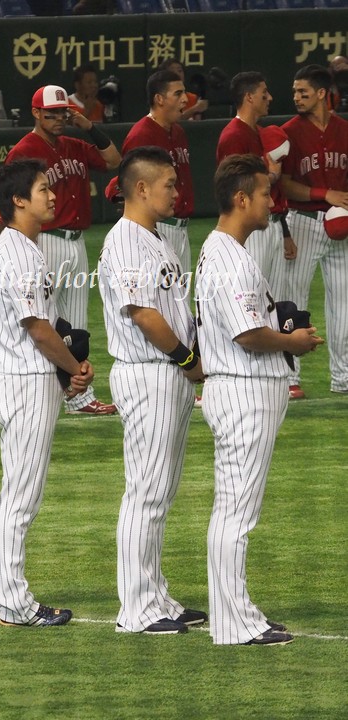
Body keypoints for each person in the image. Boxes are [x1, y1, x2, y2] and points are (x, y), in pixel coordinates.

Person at [195, 154, 323, 646]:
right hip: (244, 389)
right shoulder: (228, 257)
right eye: (266, 193)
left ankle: (236, 611)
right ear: (242, 198)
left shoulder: (227, 249)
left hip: (242, 387)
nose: (274, 201)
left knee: (234, 510)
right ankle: (232, 624)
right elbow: (249, 334)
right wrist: (294, 342)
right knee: (236, 514)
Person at [98, 146, 207, 635]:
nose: (176, 191)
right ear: (141, 188)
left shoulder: (152, 238)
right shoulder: (125, 242)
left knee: (158, 492)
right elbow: (143, 314)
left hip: (164, 374)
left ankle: (155, 596)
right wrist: (187, 359)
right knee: (145, 492)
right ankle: (136, 610)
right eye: (169, 184)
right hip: (149, 373)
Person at [0, 159, 94, 627]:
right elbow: (37, 328)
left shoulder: (22, 248)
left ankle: (4, 594)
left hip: (27, 379)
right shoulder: (19, 253)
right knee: (21, 496)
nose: (52, 195)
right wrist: (74, 369)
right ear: (18, 200)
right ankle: (12, 600)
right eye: (42, 188)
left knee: (19, 492)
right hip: (28, 382)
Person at [5, 84, 120, 415]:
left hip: (76, 243)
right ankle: (51, 388)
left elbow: (114, 160)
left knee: (77, 322)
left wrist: (89, 127)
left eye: (62, 113)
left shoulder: (74, 144)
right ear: (36, 113)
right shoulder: (24, 151)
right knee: (47, 319)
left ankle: (79, 395)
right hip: (46, 241)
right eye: (51, 113)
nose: (58, 118)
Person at [121, 69, 201, 406]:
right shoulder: (142, 134)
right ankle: (179, 363)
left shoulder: (177, 131)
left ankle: (186, 370)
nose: (185, 99)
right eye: (178, 93)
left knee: (179, 302)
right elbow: (125, 188)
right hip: (156, 226)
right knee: (158, 304)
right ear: (159, 98)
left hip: (178, 228)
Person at [281, 65, 348, 397]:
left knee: (344, 306)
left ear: (322, 93)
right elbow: (285, 184)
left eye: (303, 92)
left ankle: (343, 379)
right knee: (295, 303)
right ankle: (291, 377)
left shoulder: (344, 130)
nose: (296, 97)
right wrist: (325, 195)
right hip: (304, 223)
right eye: (294, 92)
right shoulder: (288, 132)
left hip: (342, 227)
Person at [216, 72, 297, 309]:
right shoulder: (233, 135)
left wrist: (283, 231)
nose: (269, 97)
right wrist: (271, 175)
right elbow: (236, 189)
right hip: (251, 229)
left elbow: (272, 190)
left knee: (275, 301)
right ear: (249, 97)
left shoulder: (259, 132)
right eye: (264, 93)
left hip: (270, 223)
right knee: (252, 299)